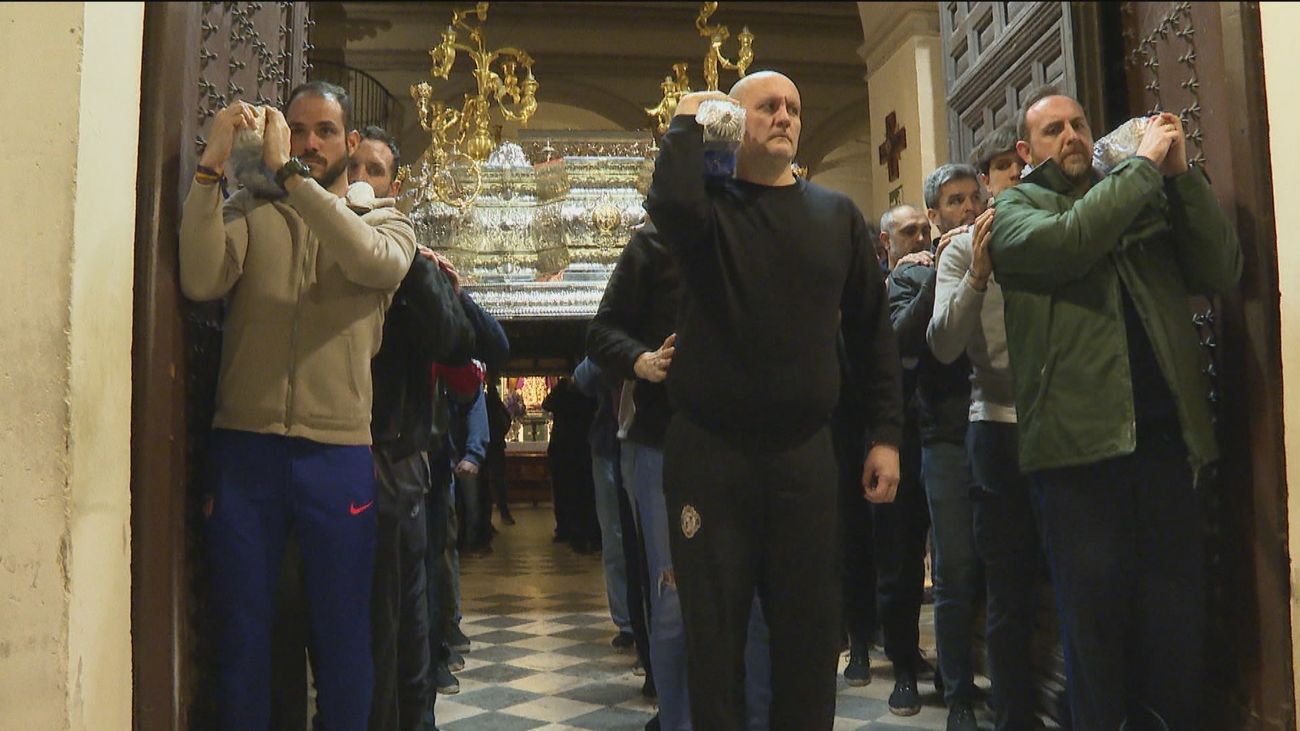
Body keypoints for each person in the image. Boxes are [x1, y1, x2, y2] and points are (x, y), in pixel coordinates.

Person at [645, 72, 903, 729]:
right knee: (714, 642)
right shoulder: (708, 210)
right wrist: (687, 117)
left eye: (793, 105)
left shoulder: (836, 215)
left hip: (805, 457)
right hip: (711, 454)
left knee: (810, 641)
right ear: (738, 119)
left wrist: (886, 434)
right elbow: (668, 202)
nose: (784, 116)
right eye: (768, 107)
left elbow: (874, 331)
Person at [989, 86, 1242, 729]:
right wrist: (1140, 169)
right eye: (1053, 131)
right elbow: (1075, 240)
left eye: (1078, 123)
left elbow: (1218, 266)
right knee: (1094, 635)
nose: (1071, 136)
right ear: (1026, 150)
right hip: (1078, 456)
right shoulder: (1016, 210)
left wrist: (1179, 177)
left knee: (1174, 626)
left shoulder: (1138, 190)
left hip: (1162, 447)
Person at [180, 82, 416, 730]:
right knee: (243, 635)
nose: (311, 143)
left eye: (326, 132)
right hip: (246, 447)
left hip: (336, 453)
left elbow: (369, 261)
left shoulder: (385, 224)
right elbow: (200, 277)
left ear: (353, 143)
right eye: (300, 129)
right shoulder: (249, 213)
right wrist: (210, 168)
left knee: (342, 637)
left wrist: (289, 178)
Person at [588, 222, 772, 731]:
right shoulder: (653, 242)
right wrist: (641, 361)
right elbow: (601, 333)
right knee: (674, 597)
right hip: (662, 442)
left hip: (745, 441)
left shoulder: (757, 232)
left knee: (754, 596)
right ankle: (678, 720)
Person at [350, 124, 477, 731]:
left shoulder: (408, 259)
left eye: (375, 171)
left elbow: (459, 343)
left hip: (396, 461)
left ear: (394, 187)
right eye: (355, 167)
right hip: (330, 453)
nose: (361, 180)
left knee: (405, 628)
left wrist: (421, 273)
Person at [928, 125, 1042, 731]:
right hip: (995, 429)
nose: (1013, 175)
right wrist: (976, 272)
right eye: (1001, 167)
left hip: (1063, 427)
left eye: (1019, 163)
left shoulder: (1055, 229)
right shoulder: (959, 249)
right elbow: (943, 345)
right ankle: (1008, 715)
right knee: (1003, 587)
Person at [888, 164, 984, 727]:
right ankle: (956, 690)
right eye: (954, 201)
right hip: (943, 429)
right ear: (934, 214)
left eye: (974, 198)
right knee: (950, 567)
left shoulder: (1001, 243)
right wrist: (935, 272)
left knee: (999, 561)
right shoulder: (908, 275)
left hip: (1000, 422)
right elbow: (902, 344)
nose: (968, 209)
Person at [868, 204, 939, 715]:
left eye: (923, 229)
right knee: (900, 556)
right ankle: (904, 664)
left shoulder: (949, 267)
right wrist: (935, 278)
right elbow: (897, 341)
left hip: (950, 426)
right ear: (885, 243)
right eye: (908, 231)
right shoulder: (879, 289)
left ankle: (955, 662)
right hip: (901, 435)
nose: (919, 237)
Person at [573, 357, 637, 648]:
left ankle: (647, 621)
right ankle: (626, 623)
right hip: (608, 444)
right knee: (614, 536)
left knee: (646, 535)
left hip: (645, 439)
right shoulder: (605, 341)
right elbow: (581, 379)